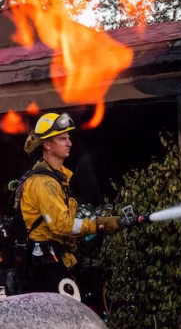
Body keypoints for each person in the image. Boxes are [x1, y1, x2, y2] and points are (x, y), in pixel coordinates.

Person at [17, 112, 121, 296]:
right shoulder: (44, 183)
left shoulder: (58, 178)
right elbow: (62, 225)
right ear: (47, 144)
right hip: (46, 268)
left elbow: (67, 216)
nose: (69, 143)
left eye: (69, 138)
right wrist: (99, 224)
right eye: (62, 139)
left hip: (55, 259)